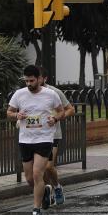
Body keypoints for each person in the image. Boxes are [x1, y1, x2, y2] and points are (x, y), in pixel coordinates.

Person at [7, 65, 65, 215]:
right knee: (29, 179)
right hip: (25, 139)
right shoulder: (19, 94)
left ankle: (36, 210)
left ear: (39, 79)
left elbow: (61, 111)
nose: (28, 84)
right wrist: (16, 115)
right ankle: (45, 190)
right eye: (26, 81)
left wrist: (55, 118)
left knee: (37, 173)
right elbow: (9, 112)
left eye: (31, 81)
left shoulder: (51, 94)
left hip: (44, 138)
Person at [40, 67, 76, 206]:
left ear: (44, 78)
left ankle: (57, 187)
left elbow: (70, 110)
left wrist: (57, 118)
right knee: (40, 168)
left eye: (38, 78)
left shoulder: (54, 92)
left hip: (52, 134)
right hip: (35, 136)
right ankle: (47, 190)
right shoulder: (27, 93)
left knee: (49, 166)